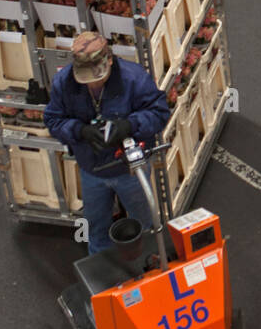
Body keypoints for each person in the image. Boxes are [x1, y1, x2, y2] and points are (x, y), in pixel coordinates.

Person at [44, 32, 170, 256]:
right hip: (91, 171)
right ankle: (103, 273)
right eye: (86, 77)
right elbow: (53, 119)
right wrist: (79, 131)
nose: (93, 82)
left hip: (130, 172)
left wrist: (130, 125)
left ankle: (148, 263)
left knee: (144, 225)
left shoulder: (134, 79)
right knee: (97, 228)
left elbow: (159, 112)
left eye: (97, 76)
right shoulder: (65, 83)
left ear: (110, 60)